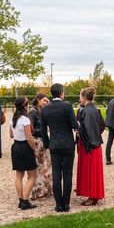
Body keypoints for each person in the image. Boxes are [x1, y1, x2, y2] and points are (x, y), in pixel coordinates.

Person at [40, 83, 79, 212]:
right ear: (61, 93)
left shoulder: (45, 109)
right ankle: (66, 204)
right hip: (67, 144)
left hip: (54, 145)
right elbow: (74, 125)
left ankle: (58, 204)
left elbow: (43, 130)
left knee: (56, 174)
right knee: (67, 174)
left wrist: (47, 144)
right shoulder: (67, 106)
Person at [76, 87, 105, 206]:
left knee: (90, 171)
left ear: (84, 97)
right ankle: (94, 195)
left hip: (89, 145)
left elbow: (85, 129)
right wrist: (96, 134)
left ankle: (92, 196)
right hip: (96, 144)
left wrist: (78, 130)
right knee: (94, 171)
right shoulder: (95, 110)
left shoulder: (85, 111)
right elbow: (102, 126)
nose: (79, 99)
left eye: (80, 96)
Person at [9, 97, 38, 210]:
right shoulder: (25, 120)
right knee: (32, 175)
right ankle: (25, 200)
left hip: (16, 146)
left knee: (19, 175)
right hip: (25, 147)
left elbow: (11, 135)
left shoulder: (13, 119)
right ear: (25, 106)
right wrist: (34, 149)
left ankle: (21, 199)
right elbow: (29, 138)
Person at [29, 93, 53, 199]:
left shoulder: (43, 112)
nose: (46, 102)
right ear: (38, 100)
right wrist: (44, 130)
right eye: (44, 100)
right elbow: (31, 129)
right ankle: (38, 190)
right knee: (39, 166)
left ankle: (46, 188)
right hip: (37, 141)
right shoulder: (32, 113)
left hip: (44, 140)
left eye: (48, 101)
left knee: (46, 166)